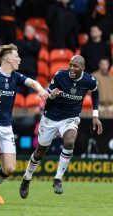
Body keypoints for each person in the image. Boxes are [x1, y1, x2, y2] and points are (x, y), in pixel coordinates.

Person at [0, 44, 48, 206]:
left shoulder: (16, 76)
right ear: (8, 59)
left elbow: (32, 82)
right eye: (17, 56)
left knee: (10, 168)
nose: (19, 59)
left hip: (6, 126)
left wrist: (40, 89)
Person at [19, 55, 103, 199]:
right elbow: (47, 96)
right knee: (40, 152)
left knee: (70, 141)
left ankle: (58, 179)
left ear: (82, 68)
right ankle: (26, 179)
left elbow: (95, 92)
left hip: (70, 118)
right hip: (51, 118)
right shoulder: (60, 75)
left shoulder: (89, 80)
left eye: (75, 66)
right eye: (70, 65)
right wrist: (52, 95)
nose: (71, 68)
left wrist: (95, 116)